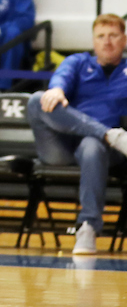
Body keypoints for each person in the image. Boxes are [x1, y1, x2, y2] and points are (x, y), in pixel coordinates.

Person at [28, 15, 127, 255]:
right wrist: (57, 89)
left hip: (104, 153)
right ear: (93, 41)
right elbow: (60, 79)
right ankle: (111, 135)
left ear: (124, 40)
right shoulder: (78, 62)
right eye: (101, 36)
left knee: (92, 145)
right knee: (36, 100)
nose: (107, 42)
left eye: (113, 35)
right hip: (61, 147)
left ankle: (88, 228)